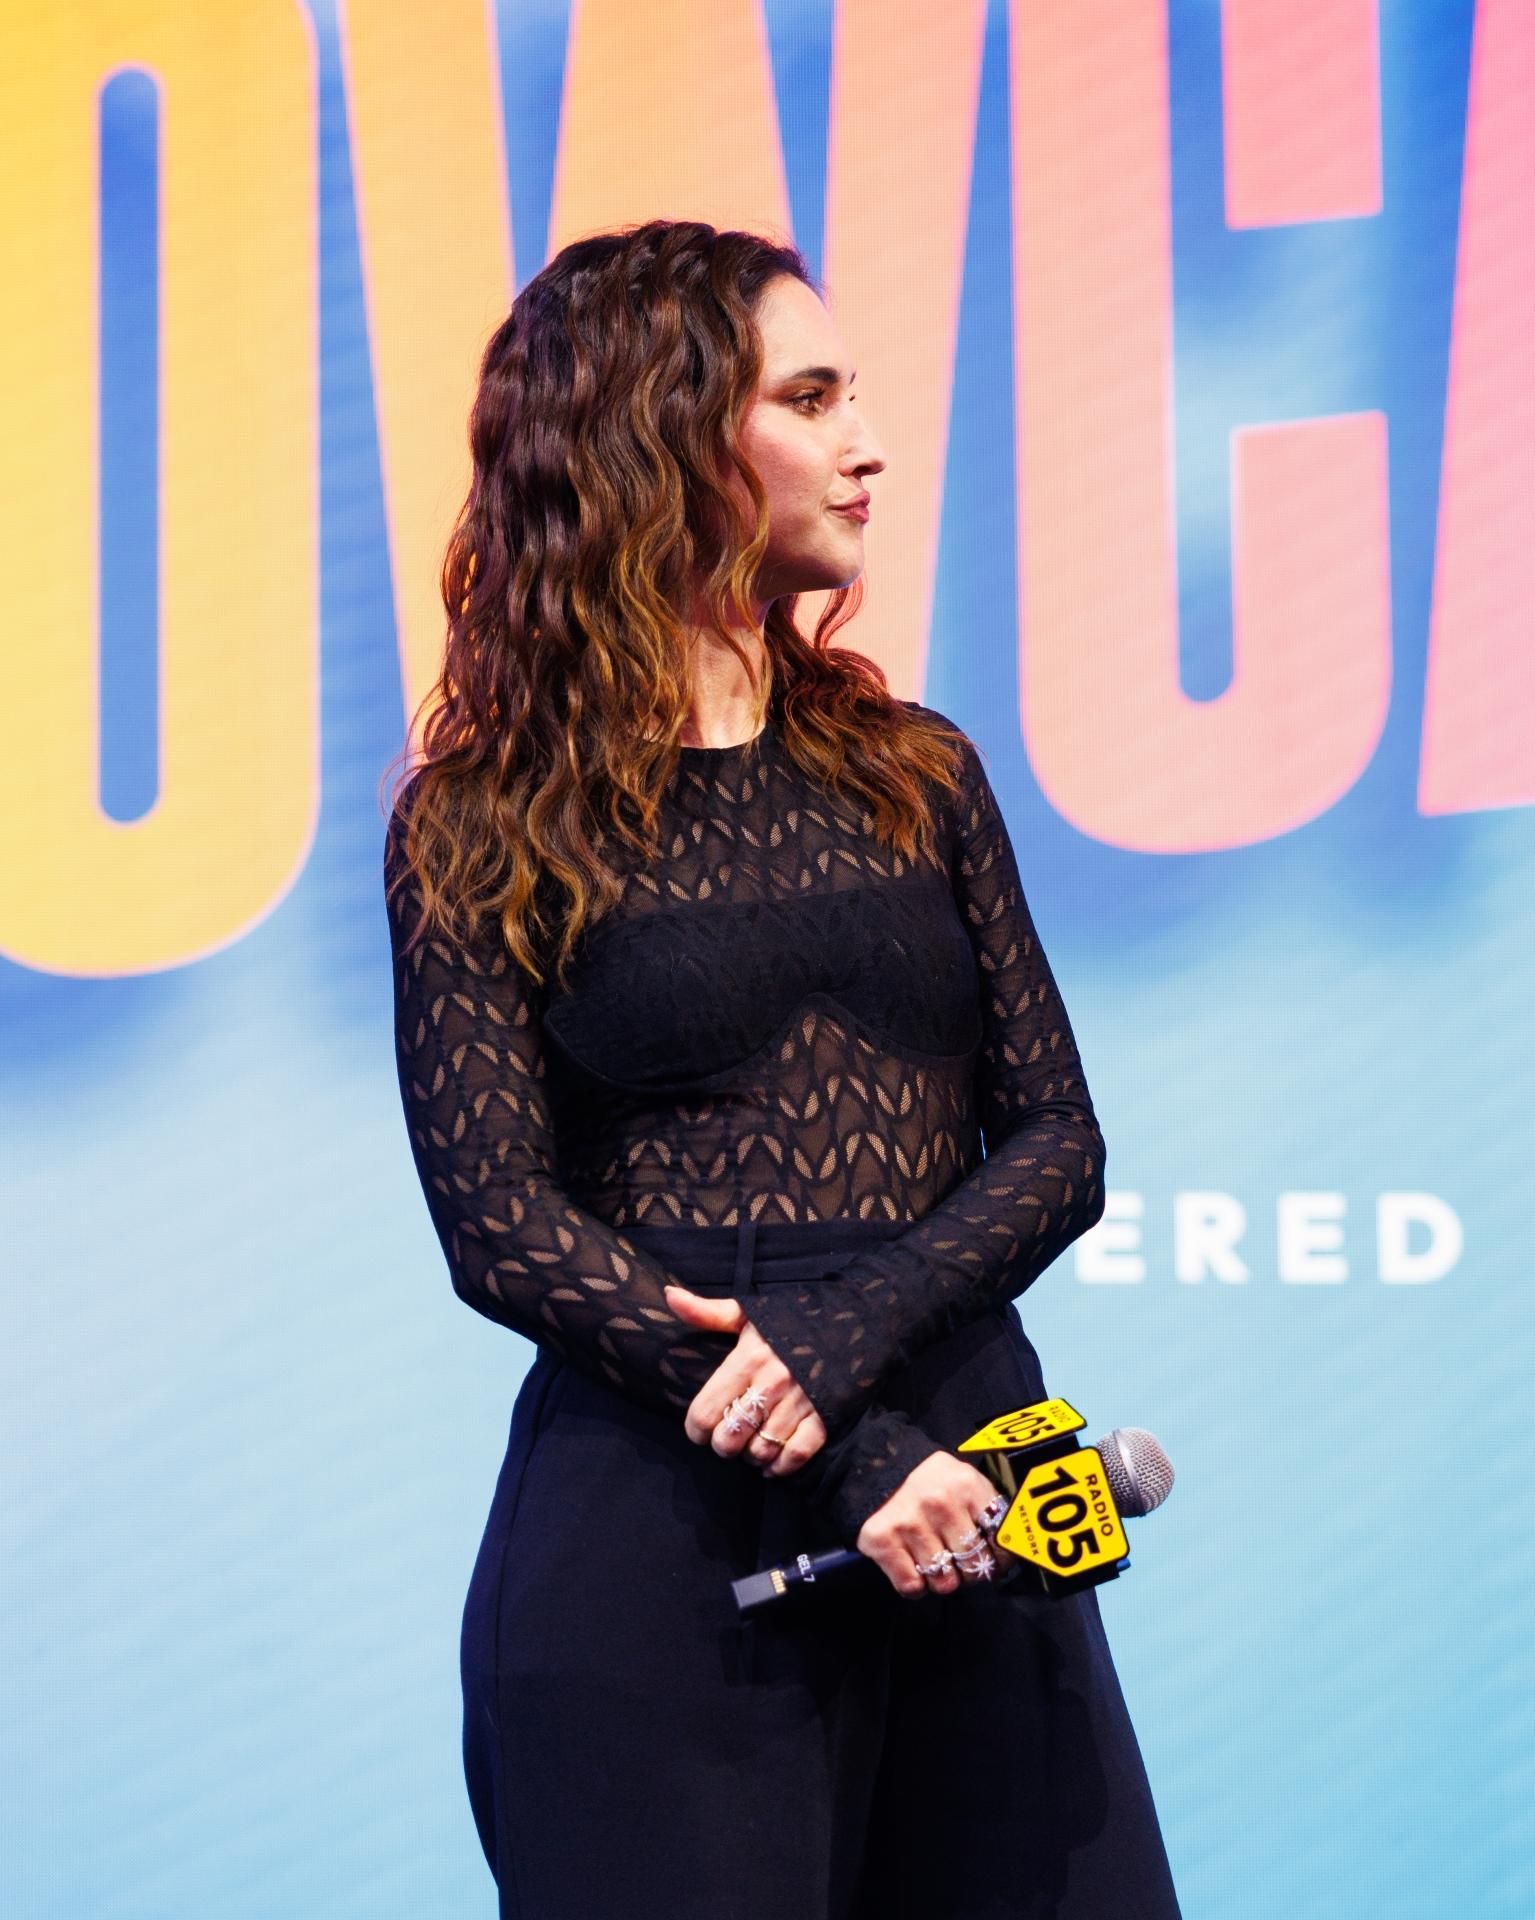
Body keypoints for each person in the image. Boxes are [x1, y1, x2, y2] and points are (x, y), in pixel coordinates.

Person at [382, 218, 1182, 1920]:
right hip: (669, 1518)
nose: (866, 444)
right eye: (810, 400)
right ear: (661, 439)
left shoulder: (918, 771)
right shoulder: (480, 821)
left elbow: (1058, 1140)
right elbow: (501, 1225)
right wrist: (845, 1449)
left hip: (974, 1479)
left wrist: (849, 1343)